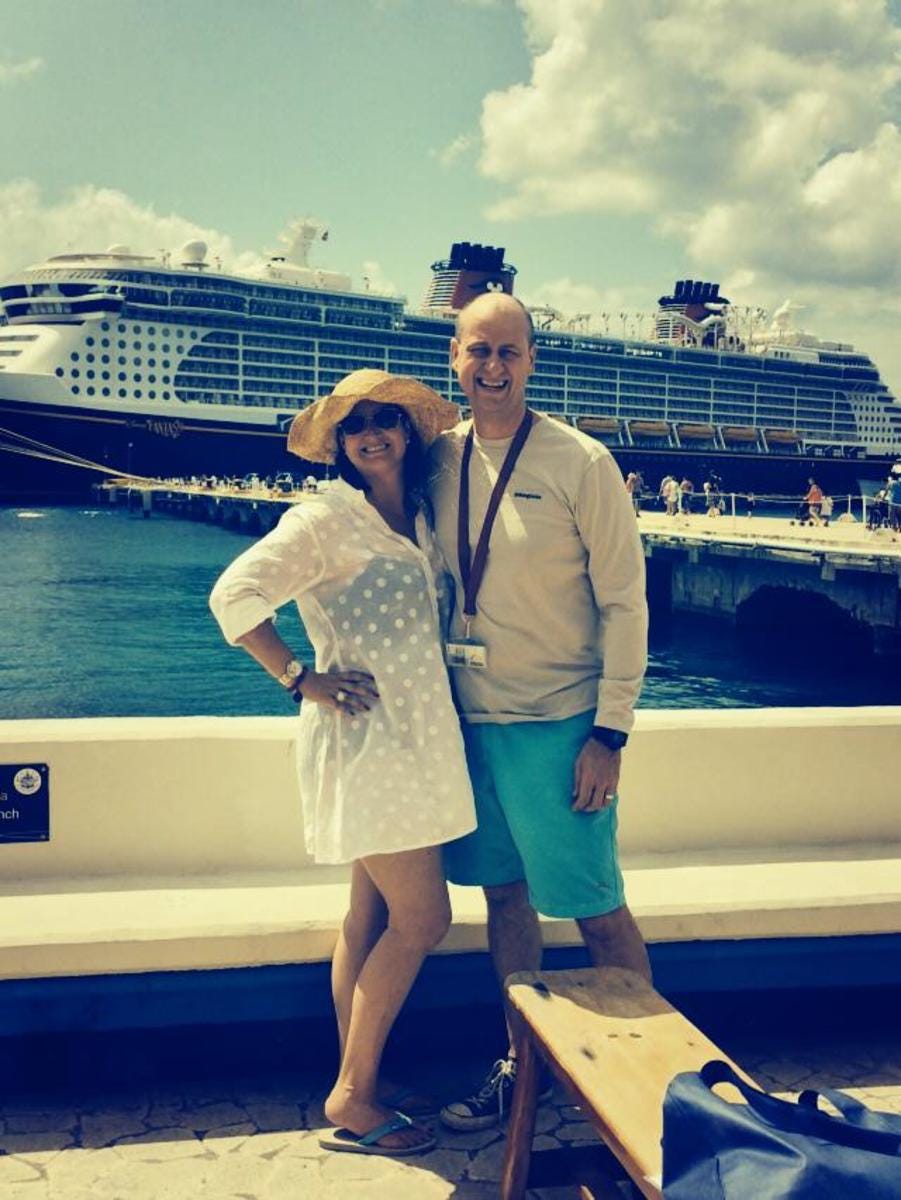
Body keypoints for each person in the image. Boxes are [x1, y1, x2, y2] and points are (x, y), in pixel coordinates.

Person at [209, 369, 476, 1158]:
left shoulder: (419, 520)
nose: (370, 433)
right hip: (368, 746)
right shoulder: (323, 520)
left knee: (368, 916)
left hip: (416, 742)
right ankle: (353, 1097)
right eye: (353, 424)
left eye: (384, 419)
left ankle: (359, 1075)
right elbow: (235, 596)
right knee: (425, 920)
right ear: (336, 444)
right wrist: (299, 678)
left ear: (407, 430)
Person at [429, 292, 651, 1131]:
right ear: (454, 357)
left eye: (508, 353)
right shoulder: (437, 458)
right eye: (477, 351)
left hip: (559, 725)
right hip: (471, 724)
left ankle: (646, 1080)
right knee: (505, 900)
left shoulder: (578, 462)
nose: (491, 369)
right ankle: (521, 1064)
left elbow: (625, 604)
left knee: (594, 907)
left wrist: (609, 731)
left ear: (531, 360)